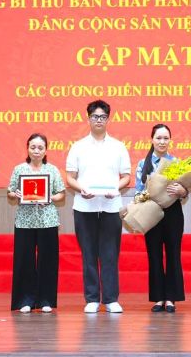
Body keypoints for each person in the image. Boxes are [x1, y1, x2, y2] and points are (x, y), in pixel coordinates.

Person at [66, 99, 131, 314]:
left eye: (103, 117)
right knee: (89, 253)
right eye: (95, 116)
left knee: (110, 253)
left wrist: (116, 188)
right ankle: (92, 298)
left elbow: (126, 177)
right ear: (88, 119)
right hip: (84, 207)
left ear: (108, 119)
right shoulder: (78, 146)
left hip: (111, 206)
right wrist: (82, 189)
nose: (99, 120)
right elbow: (70, 177)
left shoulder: (118, 146)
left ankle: (111, 299)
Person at [7, 133, 66, 313]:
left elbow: (61, 194)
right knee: (24, 260)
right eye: (33, 147)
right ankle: (25, 301)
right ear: (27, 148)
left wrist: (49, 197)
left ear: (46, 150)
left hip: (47, 221)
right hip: (25, 221)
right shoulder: (19, 169)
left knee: (48, 260)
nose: (36, 151)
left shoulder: (52, 170)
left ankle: (45, 300)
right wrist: (15, 194)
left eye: (40, 148)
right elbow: (10, 193)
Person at [135, 124, 188, 313]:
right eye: (158, 138)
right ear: (152, 140)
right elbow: (138, 191)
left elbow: (185, 191)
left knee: (173, 254)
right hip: (151, 212)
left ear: (170, 140)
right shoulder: (143, 164)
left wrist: (183, 191)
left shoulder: (177, 163)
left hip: (173, 213)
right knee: (154, 254)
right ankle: (158, 298)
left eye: (166, 138)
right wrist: (144, 196)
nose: (162, 142)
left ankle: (171, 298)